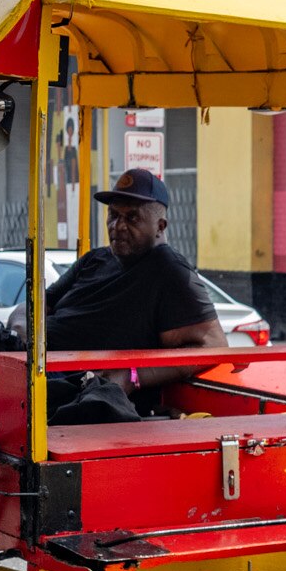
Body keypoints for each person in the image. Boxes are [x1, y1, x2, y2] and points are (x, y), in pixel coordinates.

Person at [45, 169, 225, 416]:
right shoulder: (94, 259)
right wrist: (24, 329)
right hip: (34, 363)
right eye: (113, 215)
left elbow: (214, 346)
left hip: (73, 388)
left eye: (132, 218)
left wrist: (132, 376)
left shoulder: (168, 268)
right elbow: (39, 303)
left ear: (160, 227)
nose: (117, 226)